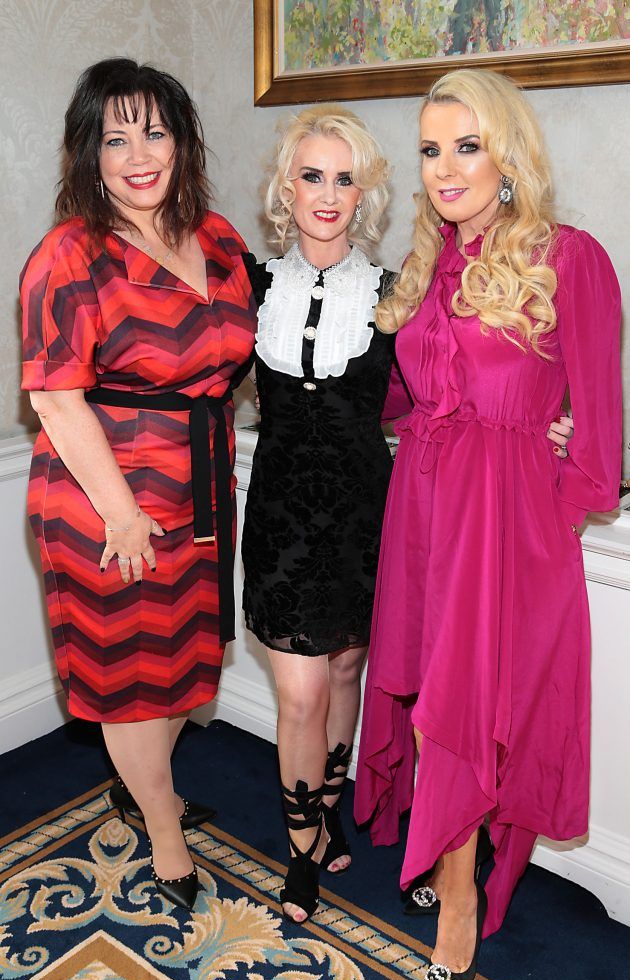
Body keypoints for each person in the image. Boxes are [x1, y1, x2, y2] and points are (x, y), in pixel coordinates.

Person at [354, 68, 621, 980]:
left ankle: (459, 900)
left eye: (467, 145)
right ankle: (448, 861)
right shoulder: (429, 265)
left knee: (468, 714)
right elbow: (405, 395)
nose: (446, 168)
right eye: (431, 149)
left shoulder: (572, 257)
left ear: (508, 154)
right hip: (424, 511)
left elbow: (600, 421)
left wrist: (558, 474)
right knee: (436, 699)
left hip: (509, 525)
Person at [20, 58, 256, 911]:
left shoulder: (221, 238)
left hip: (199, 492)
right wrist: (122, 515)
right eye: (113, 138)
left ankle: (142, 786)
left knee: (177, 667)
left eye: (153, 131)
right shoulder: (71, 252)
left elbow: (254, 353)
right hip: (104, 503)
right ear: (88, 155)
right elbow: (53, 393)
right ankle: (162, 828)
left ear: (183, 140)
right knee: (129, 680)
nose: (137, 154)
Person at [241, 105, 405, 923]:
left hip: (361, 516)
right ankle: (303, 844)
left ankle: (329, 803)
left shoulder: (390, 293)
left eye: (346, 178)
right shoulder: (253, 284)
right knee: (299, 693)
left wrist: (550, 425)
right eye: (313, 175)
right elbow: (191, 373)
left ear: (365, 190)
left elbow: (450, 390)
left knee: (345, 670)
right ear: (287, 186)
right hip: (278, 514)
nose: (329, 193)